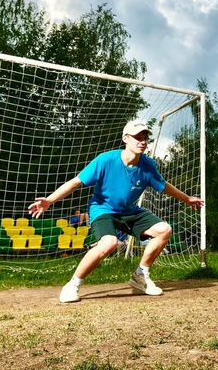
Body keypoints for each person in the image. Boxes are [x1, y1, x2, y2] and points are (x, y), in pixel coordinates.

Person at [28, 119, 204, 303]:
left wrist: (187, 198)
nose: (143, 141)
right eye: (138, 137)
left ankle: (140, 277)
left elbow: (163, 186)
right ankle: (73, 285)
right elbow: (76, 182)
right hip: (104, 211)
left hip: (131, 212)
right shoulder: (106, 160)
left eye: (145, 137)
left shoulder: (148, 165)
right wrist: (49, 200)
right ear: (125, 139)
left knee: (164, 230)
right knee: (109, 243)